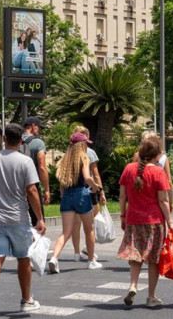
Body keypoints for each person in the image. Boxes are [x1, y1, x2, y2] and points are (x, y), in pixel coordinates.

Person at [0, 123, 46, 319]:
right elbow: (32, 190)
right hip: (18, 218)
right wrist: (40, 218)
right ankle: (26, 300)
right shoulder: (25, 161)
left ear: (3, 139)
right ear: (21, 140)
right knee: (24, 258)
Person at [117, 136, 173, 308]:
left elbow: (122, 196)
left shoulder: (128, 168)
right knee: (153, 259)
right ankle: (151, 297)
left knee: (135, 255)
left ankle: (133, 285)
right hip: (154, 221)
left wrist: (122, 216)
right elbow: (163, 200)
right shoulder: (158, 172)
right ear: (156, 155)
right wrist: (170, 222)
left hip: (133, 219)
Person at [48, 132, 103, 273]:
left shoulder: (64, 160)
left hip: (67, 196)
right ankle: (91, 261)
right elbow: (87, 177)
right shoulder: (83, 158)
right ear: (81, 144)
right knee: (89, 228)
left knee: (65, 232)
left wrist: (63, 195)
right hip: (81, 195)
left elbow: (61, 182)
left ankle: (54, 258)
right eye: (85, 143)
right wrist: (96, 187)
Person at [69, 126, 106, 262]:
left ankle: (76, 252)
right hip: (88, 191)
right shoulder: (89, 153)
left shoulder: (69, 152)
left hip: (70, 191)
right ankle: (89, 251)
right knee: (91, 224)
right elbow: (94, 174)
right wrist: (101, 191)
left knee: (75, 224)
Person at [132, 131, 173, 212]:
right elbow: (169, 181)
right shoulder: (163, 157)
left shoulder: (137, 155)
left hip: (141, 192)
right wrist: (171, 202)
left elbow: (133, 175)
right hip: (160, 194)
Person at [21, 116, 51, 227]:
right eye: (39, 127)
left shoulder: (14, 140)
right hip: (32, 185)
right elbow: (42, 167)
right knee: (38, 223)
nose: (40, 131)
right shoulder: (38, 143)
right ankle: (35, 243)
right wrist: (47, 189)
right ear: (33, 126)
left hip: (15, 187)